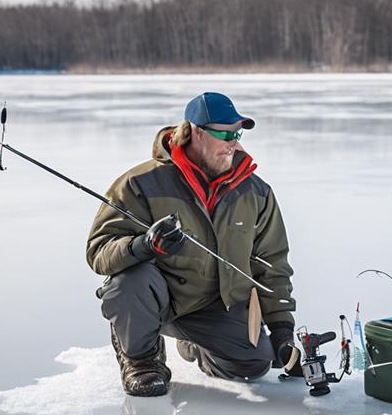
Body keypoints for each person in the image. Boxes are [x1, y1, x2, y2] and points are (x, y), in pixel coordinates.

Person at [87, 92, 301, 397]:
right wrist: (144, 246)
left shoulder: (256, 193)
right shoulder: (141, 183)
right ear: (196, 132)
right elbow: (99, 250)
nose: (235, 143)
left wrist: (282, 330)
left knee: (254, 364)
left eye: (237, 134)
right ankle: (141, 360)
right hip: (155, 299)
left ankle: (194, 347)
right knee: (129, 281)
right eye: (225, 134)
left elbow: (272, 264)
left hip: (211, 305)